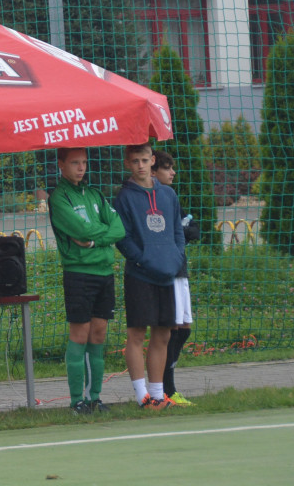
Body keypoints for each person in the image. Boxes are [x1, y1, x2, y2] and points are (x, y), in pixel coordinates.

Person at [48, 147, 126, 414]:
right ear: (61, 164)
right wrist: (101, 234)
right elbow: (79, 228)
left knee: (99, 334)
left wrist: (94, 240)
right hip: (79, 274)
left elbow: (119, 228)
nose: (81, 168)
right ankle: (76, 401)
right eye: (74, 163)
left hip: (105, 273)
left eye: (83, 163)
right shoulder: (59, 198)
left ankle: (95, 397)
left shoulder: (94, 194)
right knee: (79, 335)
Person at [113, 143, 186, 409]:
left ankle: (158, 394)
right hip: (140, 275)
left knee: (164, 335)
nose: (140, 165)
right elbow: (123, 238)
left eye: (145, 160)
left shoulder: (168, 194)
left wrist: (176, 257)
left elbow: (178, 231)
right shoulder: (124, 197)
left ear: (152, 160)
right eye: (135, 161)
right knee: (136, 335)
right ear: (128, 164)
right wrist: (142, 259)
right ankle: (141, 396)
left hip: (167, 273)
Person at [151, 149, 201, 406]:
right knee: (168, 330)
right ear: (153, 171)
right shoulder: (149, 199)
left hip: (180, 271)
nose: (173, 173)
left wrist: (187, 229)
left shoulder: (171, 196)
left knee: (183, 329)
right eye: (167, 168)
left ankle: (168, 383)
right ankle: (165, 389)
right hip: (165, 272)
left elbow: (186, 227)